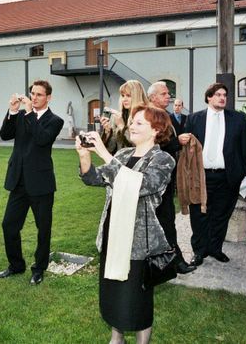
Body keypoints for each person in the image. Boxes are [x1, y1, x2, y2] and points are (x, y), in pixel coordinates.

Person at [77, 105, 175, 344]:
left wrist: (105, 153)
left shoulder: (163, 159)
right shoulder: (122, 155)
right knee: (114, 294)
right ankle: (116, 339)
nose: (132, 125)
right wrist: (84, 155)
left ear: (156, 130)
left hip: (139, 243)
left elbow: (143, 185)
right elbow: (94, 178)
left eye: (139, 123)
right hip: (112, 234)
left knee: (136, 299)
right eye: (132, 121)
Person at [0, 80, 64, 285]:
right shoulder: (23, 115)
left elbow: (42, 139)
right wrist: (13, 111)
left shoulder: (55, 120)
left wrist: (30, 113)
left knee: (43, 229)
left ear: (48, 97)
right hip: (18, 181)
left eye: (39, 94)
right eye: (32, 93)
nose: (34, 97)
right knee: (9, 225)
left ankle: (39, 269)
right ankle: (16, 266)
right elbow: (5, 135)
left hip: (41, 183)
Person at [179, 82, 246, 266]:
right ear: (209, 97)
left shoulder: (238, 119)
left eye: (224, 95)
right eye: (218, 94)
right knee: (199, 215)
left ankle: (215, 249)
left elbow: (245, 149)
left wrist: (241, 173)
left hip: (227, 177)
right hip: (200, 177)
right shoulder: (194, 119)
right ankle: (199, 251)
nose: (222, 98)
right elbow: (187, 150)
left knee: (221, 215)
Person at [147, 82, 195, 274]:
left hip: (166, 177)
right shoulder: (150, 117)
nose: (169, 96)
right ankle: (174, 262)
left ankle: (170, 261)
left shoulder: (164, 115)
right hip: (156, 179)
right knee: (165, 221)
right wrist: (177, 142)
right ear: (153, 97)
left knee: (166, 220)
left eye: (168, 93)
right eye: (164, 93)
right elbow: (153, 147)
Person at [100, 80, 149, 154]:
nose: (124, 99)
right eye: (123, 96)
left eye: (128, 96)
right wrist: (108, 132)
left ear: (137, 96)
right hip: (120, 160)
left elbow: (137, 146)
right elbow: (111, 148)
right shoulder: (120, 116)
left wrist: (121, 126)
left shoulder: (146, 116)